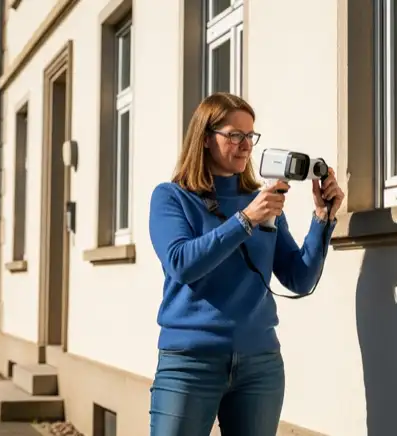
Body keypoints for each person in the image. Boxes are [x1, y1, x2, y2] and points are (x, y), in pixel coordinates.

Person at [147, 92, 346, 436]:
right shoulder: (172, 197)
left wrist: (322, 218)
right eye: (234, 135)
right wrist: (245, 220)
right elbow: (181, 263)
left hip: (260, 365)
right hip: (190, 362)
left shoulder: (261, 201)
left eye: (250, 136)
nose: (245, 145)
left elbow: (299, 278)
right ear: (206, 138)